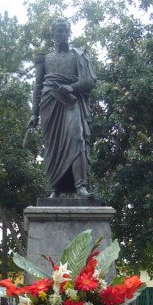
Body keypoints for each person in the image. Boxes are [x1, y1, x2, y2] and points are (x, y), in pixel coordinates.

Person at [28, 18, 96, 198]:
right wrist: (34, 113)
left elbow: (89, 81)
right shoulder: (45, 58)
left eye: (66, 30)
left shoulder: (79, 55)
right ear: (53, 34)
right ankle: (54, 189)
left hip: (71, 101)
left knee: (77, 137)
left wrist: (72, 87)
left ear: (70, 32)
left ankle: (81, 187)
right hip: (50, 103)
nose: (63, 34)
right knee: (53, 146)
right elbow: (37, 86)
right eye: (59, 30)